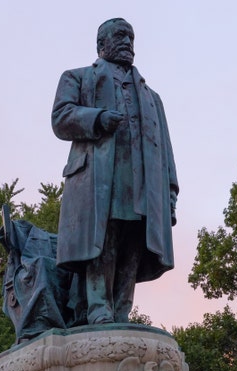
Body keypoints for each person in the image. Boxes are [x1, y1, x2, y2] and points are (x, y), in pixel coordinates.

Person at [52, 18, 178, 325]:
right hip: (98, 180)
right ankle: (98, 309)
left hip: (143, 183)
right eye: (120, 36)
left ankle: (121, 311)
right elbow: (61, 117)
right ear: (101, 46)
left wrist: (171, 194)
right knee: (102, 241)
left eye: (131, 38)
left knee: (133, 245)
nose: (127, 43)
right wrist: (97, 119)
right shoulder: (78, 77)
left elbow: (165, 148)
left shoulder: (152, 97)